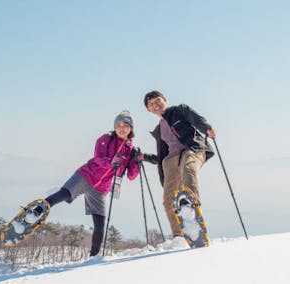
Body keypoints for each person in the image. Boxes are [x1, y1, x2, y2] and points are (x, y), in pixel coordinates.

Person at [31, 111, 140, 256]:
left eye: (126, 125)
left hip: (101, 188)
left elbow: (131, 175)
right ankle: (37, 210)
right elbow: (98, 158)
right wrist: (110, 162)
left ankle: (93, 257)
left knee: (100, 223)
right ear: (114, 127)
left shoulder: (131, 150)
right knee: (64, 194)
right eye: (119, 125)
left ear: (131, 128)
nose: (122, 128)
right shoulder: (105, 139)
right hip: (86, 175)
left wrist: (137, 162)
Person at [141, 91, 217, 238]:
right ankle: (179, 235)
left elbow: (197, 119)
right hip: (171, 159)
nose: (155, 105)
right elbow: (161, 156)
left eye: (157, 101)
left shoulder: (179, 110)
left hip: (192, 148)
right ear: (148, 110)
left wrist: (207, 129)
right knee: (168, 199)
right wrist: (144, 157)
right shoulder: (159, 130)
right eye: (151, 104)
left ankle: (191, 207)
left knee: (188, 168)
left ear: (164, 99)